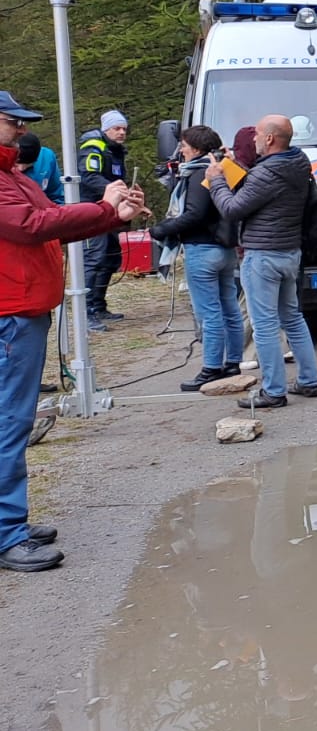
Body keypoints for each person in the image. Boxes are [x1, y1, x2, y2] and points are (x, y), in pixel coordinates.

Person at [0, 90, 145, 572]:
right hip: (10, 314)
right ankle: (6, 532)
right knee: (9, 421)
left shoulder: (13, 174)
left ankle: (10, 522)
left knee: (13, 419)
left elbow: (53, 223)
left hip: (23, 309)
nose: (22, 130)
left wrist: (111, 215)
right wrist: (102, 205)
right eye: (12, 122)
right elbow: (32, 224)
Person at [208, 115, 317, 410]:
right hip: (289, 252)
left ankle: (273, 391)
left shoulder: (266, 174)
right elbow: (262, 190)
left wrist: (218, 179)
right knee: (293, 318)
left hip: (262, 256)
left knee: (265, 326)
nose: (253, 139)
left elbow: (232, 209)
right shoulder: (298, 161)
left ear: (269, 139)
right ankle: (308, 381)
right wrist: (235, 166)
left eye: (257, 134)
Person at [151, 126, 245, 393]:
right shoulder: (226, 167)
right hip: (225, 249)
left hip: (202, 249)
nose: (180, 150)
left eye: (184, 145)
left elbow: (194, 214)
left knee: (209, 313)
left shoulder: (197, 174)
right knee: (230, 307)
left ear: (196, 148)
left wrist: (160, 229)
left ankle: (211, 367)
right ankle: (232, 362)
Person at [78, 110, 131, 327]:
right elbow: (88, 176)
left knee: (111, 258)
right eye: (116, 128)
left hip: (109, 209)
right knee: (93, 258)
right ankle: (86, 312)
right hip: (90, 209)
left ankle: (99, 306)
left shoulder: (116, 150)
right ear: (106, 129)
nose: (121, 133)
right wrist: (116, 192)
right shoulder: (93, 146)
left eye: (124, 129)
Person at [17, 133, 64, 205]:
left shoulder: (47, 158)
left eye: (28, 165)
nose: (21, 168)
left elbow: (57, 196)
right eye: (16, 164)